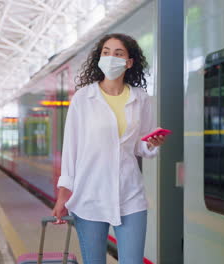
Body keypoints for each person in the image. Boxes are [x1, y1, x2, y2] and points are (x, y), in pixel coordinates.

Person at [52, 33, 166, 264]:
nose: (110, 57)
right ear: (99, 57)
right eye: (106, 52)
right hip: (89, 195)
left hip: (130, 195)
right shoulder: (84, 98)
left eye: (118, 53)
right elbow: (71, 148)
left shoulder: (141, 99)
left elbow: (141, 146)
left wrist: (152, 145)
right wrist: (63, 195)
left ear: (129, 62)